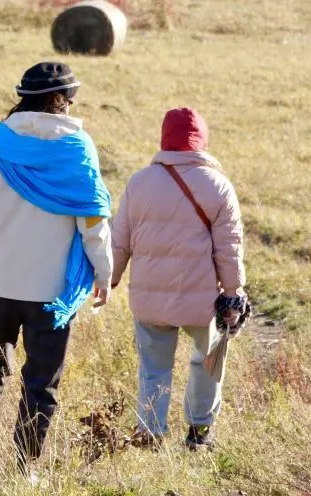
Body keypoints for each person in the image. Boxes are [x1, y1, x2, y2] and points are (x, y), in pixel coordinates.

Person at [0, 63, 112, 473]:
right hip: (51, 290)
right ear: (64, 100)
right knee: (41, 384)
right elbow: (93, 221)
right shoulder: (78, 149)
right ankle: (24, 468)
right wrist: (104, 274)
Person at [110, 107, 246, 452]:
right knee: (207, 364)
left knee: (153, 369)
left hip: (149, 300)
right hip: (204, 303)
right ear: (201, 140)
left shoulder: (139, 182)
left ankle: (150, 434)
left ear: (164, 138)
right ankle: (199, 435)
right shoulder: (218, 185)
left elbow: (119, 240)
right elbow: (229, 248)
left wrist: (108, 280)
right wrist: (233, 292)